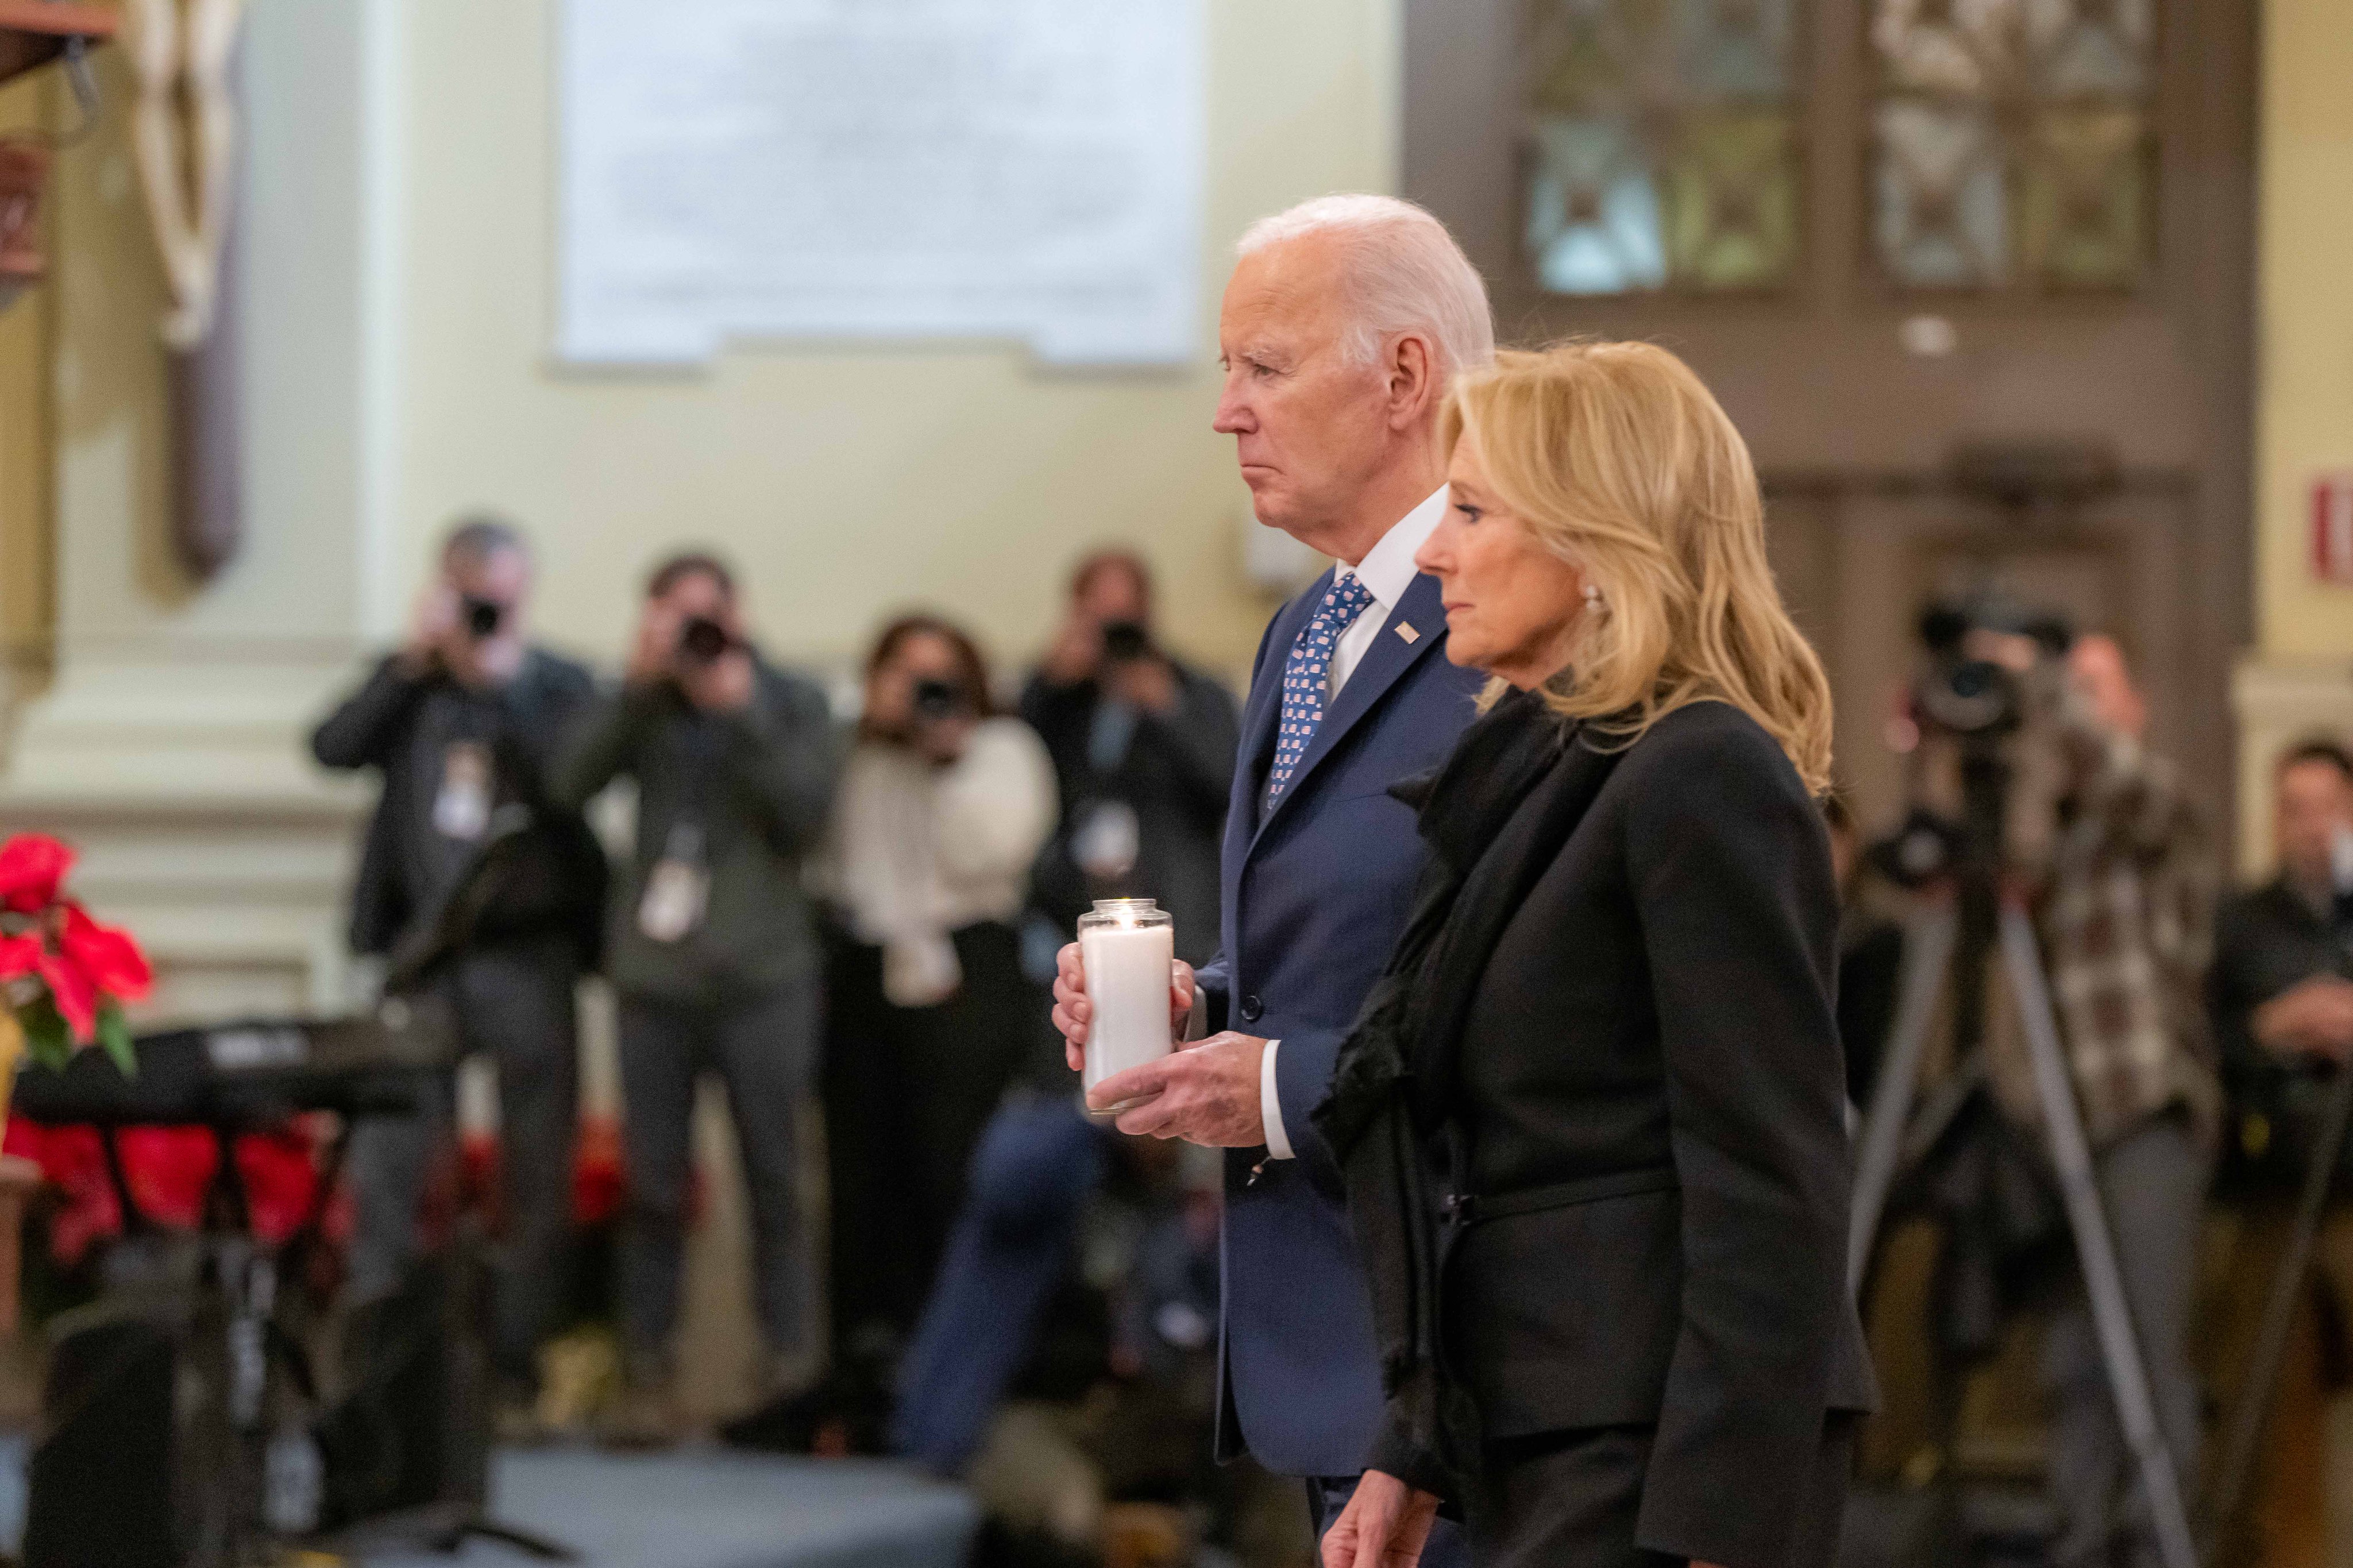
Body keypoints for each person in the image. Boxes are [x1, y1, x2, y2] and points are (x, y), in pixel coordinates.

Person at [1296, 342, 1876, 1568]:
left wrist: (1719, 1528)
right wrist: (1411, 1449)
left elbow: (1771, 1179)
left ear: (1596, 542)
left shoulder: (1700, 770)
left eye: (1470, 511)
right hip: (1548, 1421)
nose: (1434, 552)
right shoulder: (1538, 767)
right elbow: (1494, 1158)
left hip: (1661, 1444)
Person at [1052, 194, 1493, 1564]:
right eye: (1226, 368)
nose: (1225, 411)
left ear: (1403, 377)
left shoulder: (1508, 616)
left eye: (1265, 366)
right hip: (1324, 1340)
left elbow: (1527, 1001)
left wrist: (1278, 1087)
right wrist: (1194, 1011)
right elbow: (1343, 946)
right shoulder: (1309, 625)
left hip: (1466, 1358)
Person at [310, 516, 604, 1424]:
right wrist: (412, 663)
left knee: (534, 1167)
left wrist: (506, 689)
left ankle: (513, 1366)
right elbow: (331, 747)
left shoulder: (559, 684)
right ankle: (380, 1366)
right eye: (468, 594)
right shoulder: (412, 681)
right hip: (422, 958)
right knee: (393, 1160)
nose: (483, 613)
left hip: (527, 954)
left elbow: (575, 783)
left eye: (497, 598)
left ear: (525, 593)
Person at [549, 551, 841, 1443]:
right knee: (653, 1184)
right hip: (656, 980)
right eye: (676, 619)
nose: (696, 637)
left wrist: (739, 708)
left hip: (766, 977)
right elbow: (563, 786)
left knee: (776, 1177)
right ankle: (648, 1375)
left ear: (738, 613)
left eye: (707, 616)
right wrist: (636, 686)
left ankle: (790, 1372)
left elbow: (809, 812)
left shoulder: (791, 698)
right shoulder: (640, 704)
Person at [2007, 632, 2216, 1568]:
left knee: (2145, 1349)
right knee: (2075, 1358)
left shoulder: (2164, 806)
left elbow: (2118, 778)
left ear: (2135, 707)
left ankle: (2159, 1540)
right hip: (2059, 1126)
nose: (2075, 703)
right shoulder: (2058, 829)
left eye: (2096, 686)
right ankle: (2081, 1536)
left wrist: (2041, 681)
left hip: (2145, 1107)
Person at [813, 615, 1059, 1403]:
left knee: (950, 1168)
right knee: (861, 1174)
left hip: (969, 962)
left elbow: (992, 853)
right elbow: (823, 859)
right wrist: (873, 730)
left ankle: (956, 1370)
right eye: (905, 673)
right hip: (866, 965)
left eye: (937, 676)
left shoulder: (1002, 749)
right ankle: (866, 1368)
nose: (922, 692)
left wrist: (946, 758)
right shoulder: (858, 757)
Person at [2207, 738, 2353, 1559]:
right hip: (2273, 1190)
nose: (2310, 826)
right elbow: (2202, 1046)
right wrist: (2272, 1027)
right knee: (2271, 1399)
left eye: (2325, 807)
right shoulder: (2241, 922)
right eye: (2293, 808)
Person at [1023, 550, 1240, 967]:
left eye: (1126, 613)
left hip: (1176, 903)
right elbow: (1017, 762)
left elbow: (1229, 782)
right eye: (1101, 614)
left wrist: (1170, 709)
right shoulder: (1063, 693)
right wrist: (1050, 681)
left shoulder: (1192, 689)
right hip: (1070, 900)